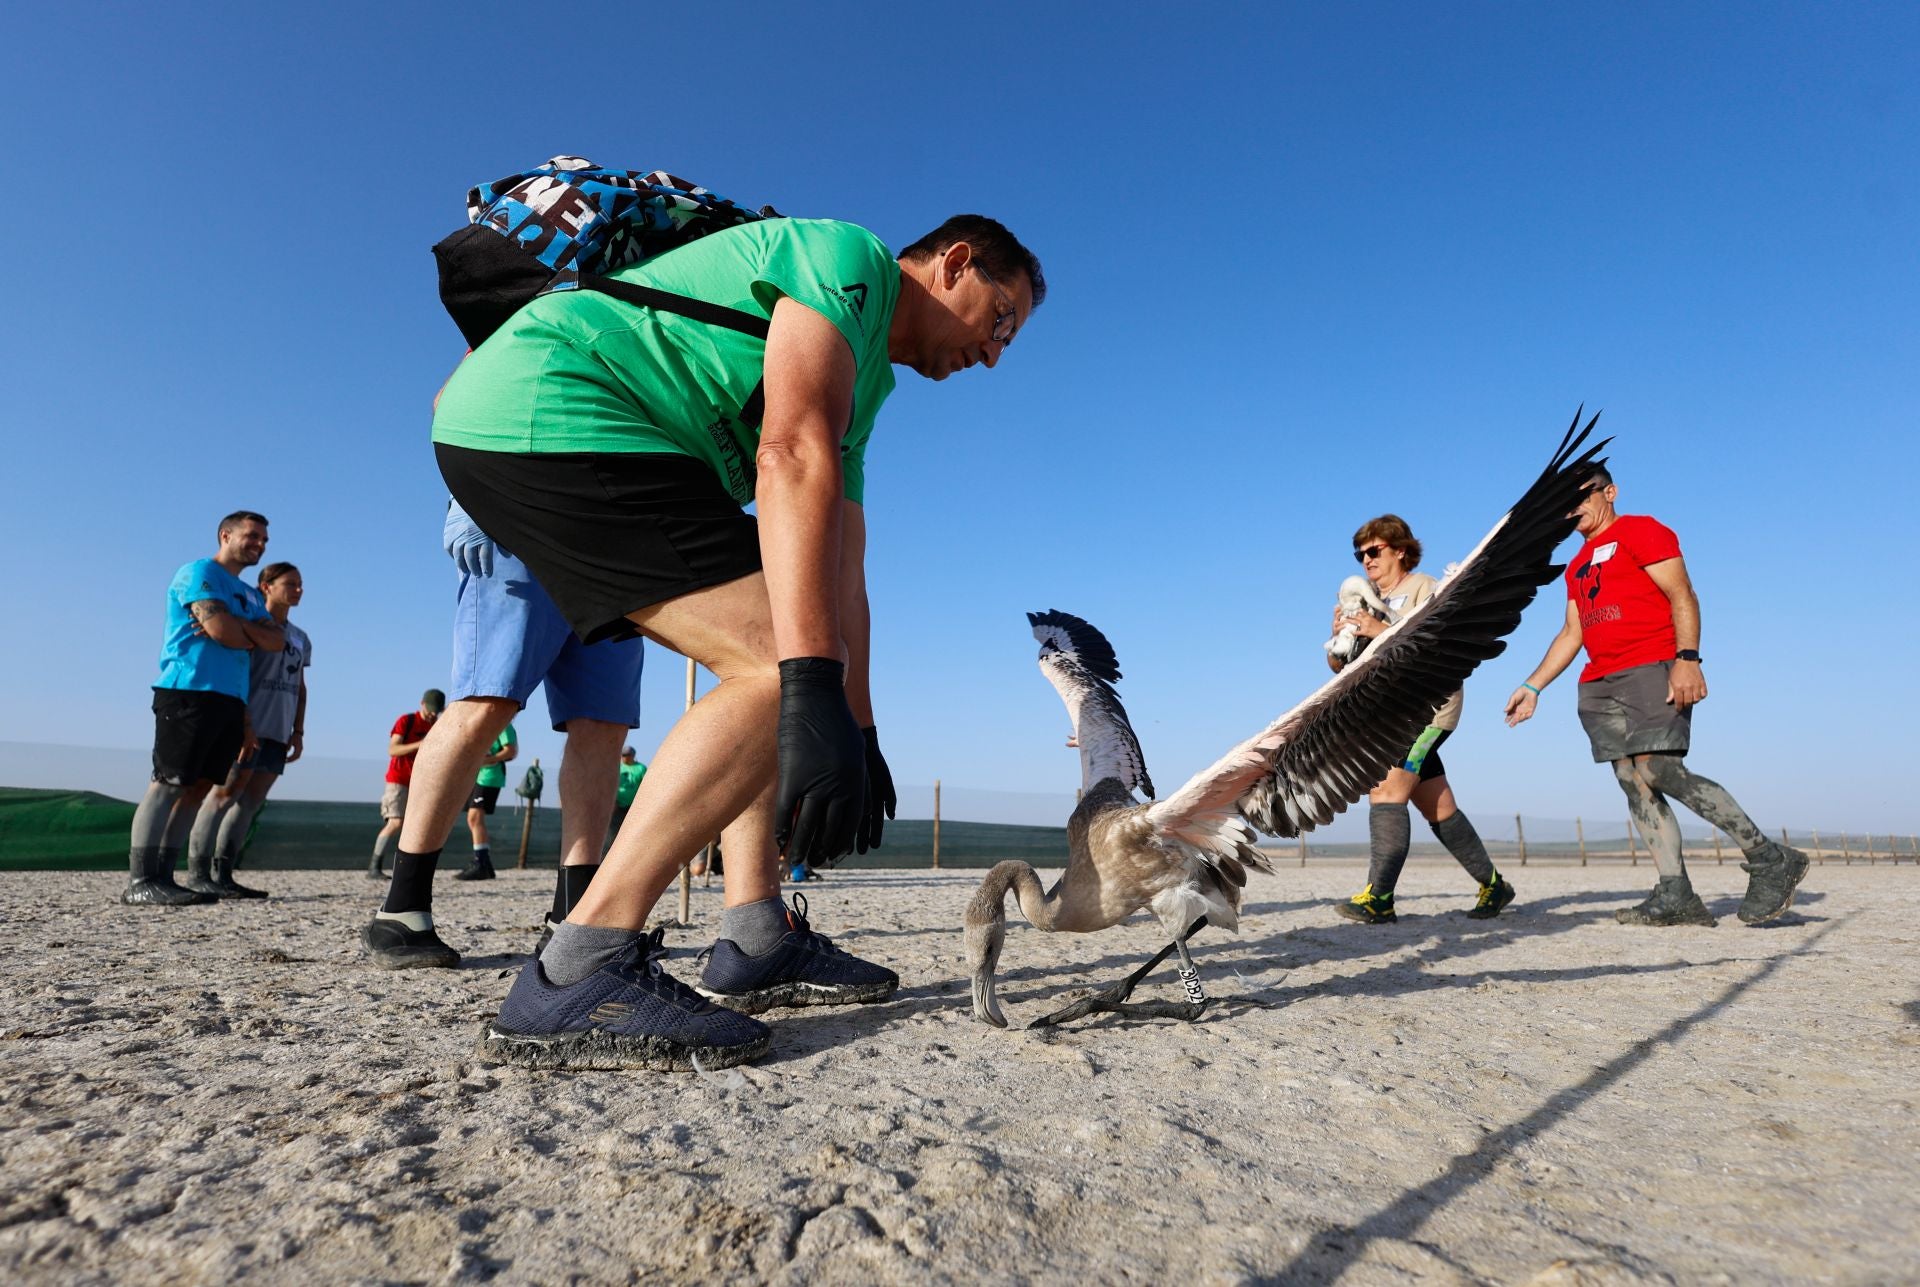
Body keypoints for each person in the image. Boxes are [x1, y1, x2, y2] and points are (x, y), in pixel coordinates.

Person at [430, 211, 1041, 1070]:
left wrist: (858, 727)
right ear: (956, 262)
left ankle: (755, 932)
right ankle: (579, 966)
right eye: (1002, 318)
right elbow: (788, 452)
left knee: (788, 658)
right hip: (555, 402)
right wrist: (812, 683)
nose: (995, 352)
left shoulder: (867, 383)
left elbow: (842, 564)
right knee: (778, 668)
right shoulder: (847, 259)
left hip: (608, 434)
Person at [1503, 468, 1809, 925]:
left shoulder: (1642, 530)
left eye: (1582, 496)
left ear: (1610, 492)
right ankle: (1676, 893)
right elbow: (1572, 632)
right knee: (1632, 779)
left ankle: (1769, 858)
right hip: (1599, 681)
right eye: (1565, 503)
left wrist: (1689, 658)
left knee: (1658, 767)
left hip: (1652, 665)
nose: (1573, 508)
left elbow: (1682, 593)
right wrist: (1533, 686)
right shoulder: (1577, 563)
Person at [362, 503, 644, 967]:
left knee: (602, 723)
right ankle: (401, 911)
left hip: (621, 544)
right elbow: (447, 423)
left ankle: (573, 916)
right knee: (485, 702)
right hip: (521, 510)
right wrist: (466, 496)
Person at [1327, 516, 1513, 924]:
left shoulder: (1424, 587)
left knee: (1386, 789)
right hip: (1386, 712)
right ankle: (1495, 886)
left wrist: (1380, 629)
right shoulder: (1362, 598)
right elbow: (1339, 668)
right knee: (1438, 806)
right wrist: (1339, 638)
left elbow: (1435, 646)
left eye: (1374, 551)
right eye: (1360, 554)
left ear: (1400, 550)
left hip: (1426, 708)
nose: (1366, 560)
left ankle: (1380, 898)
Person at [124, 511, 285, 905]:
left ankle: (166, 876)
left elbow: (277, 641)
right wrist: (244, 631)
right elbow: (220, 632)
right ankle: (141, 880)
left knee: (197, 789)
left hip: (231, 698)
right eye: (252, 536)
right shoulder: (198, 573)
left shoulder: (247, 593)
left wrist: (237, 628)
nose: (260, 544)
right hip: (189, 689)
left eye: (264, 539)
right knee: (167, 783)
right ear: (225, 535)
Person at [185, 561, 311, 898]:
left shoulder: (300, 637)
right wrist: (244, 724)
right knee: (225, 794)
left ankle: (225, 873)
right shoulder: (252, 628)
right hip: (247, 724)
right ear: (266, 586)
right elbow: (236, 671)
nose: (298, 590)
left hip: (279, 728)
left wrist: (297, 731)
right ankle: (198, 871)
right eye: (291, 583)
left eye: (300, 584)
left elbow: (299, 685)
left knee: (251, 801)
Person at [370, 690, 442, 879]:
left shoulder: (436, 725)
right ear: (422, 704)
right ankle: (374, 866)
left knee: (415, 826)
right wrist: (421, 744)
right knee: (396, 822)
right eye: (431, 710)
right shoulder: (406, 721)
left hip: (421, 782)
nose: (433, 715)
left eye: (437, 711)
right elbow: (393, 749)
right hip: (398, 780)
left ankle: (406, 869)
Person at [453, 719, 517, 881]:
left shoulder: (503, 725)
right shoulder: (480, 725)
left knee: (475, 817)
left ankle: (480, 863)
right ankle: (485, 864)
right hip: (476, 776)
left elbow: (510, 751)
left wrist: (485, 760)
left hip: (490, 777)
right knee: (472, 819)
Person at [609, 746, 646, 844]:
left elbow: (645, 786)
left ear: (633, 755)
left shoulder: (641, 768)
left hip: (635, 807)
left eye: (627, 755)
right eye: (623, 755)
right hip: (618, 806)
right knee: (616, 832)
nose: (624, 757)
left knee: (634, 831)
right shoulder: (617, 767)